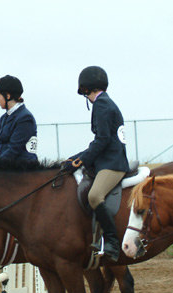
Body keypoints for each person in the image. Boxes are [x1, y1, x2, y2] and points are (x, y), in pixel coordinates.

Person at [61, 66, 129, 262]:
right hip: (107, 159)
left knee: (94, 195)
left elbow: (102, 140)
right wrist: (75, 158)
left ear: (85, 89)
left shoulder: (102, 105)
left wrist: (80, 161)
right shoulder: (106, 103)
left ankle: (112, 242)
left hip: (112, 163)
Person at [0, 75, 38, 161]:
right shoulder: (3, 118)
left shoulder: (25, 118)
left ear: (7, 96)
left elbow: (14, 149)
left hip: (23, 168)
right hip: (5, 167)